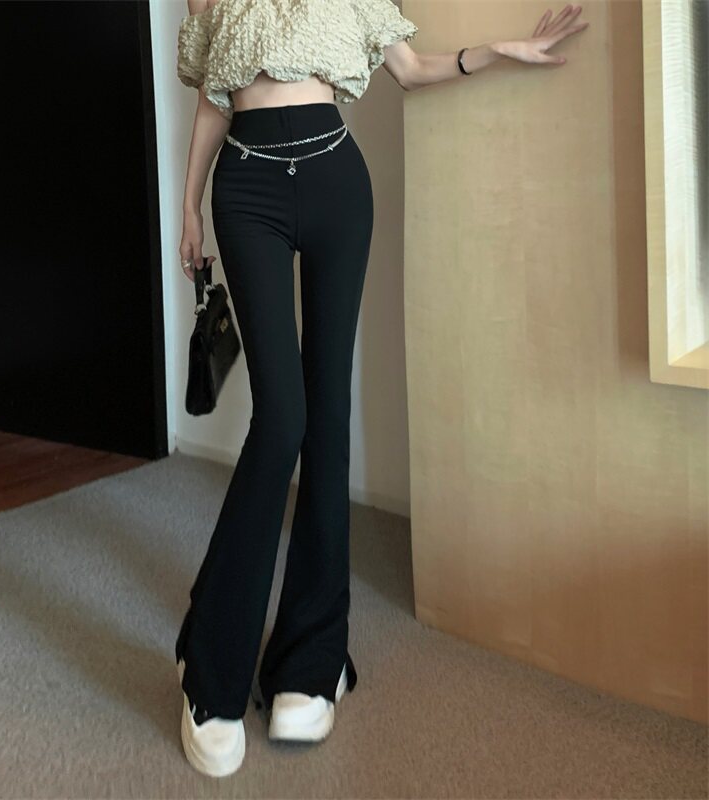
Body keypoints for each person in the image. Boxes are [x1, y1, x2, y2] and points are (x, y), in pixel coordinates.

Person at [175, 0, 588, 778]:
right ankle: (210, 665)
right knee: (282, 420)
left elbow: (412, 68)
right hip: (247, 188)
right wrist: (189, 208)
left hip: (336, 182)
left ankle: (312, 658)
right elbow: (211, 97)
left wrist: (498, 51)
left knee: (328, 416)